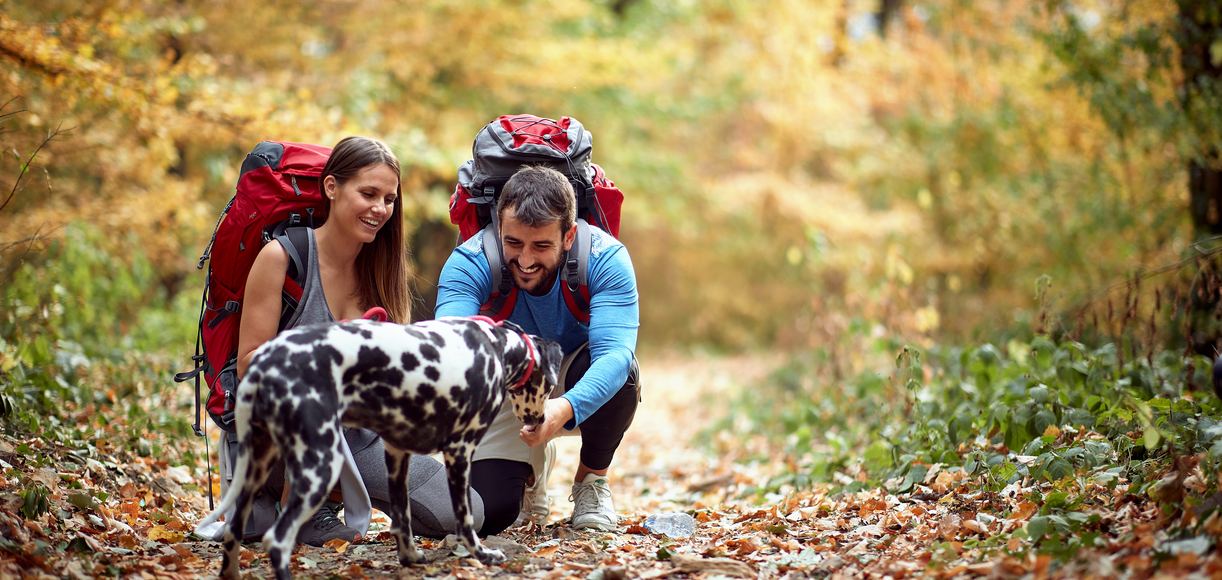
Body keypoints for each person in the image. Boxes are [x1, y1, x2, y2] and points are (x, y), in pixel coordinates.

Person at [434, 165, 641, 532]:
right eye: (513, 243)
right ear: (499, 229)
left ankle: (591, 482)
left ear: (568, 235)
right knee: (489, 514)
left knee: (623, 375)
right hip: (501, 380)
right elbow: (449, 348)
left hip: (570, 374)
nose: (526, 261)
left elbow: (615, 355)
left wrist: (563, 408)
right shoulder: (469, 262)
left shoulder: (606, 259)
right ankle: (531, 471)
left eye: (541, 246)